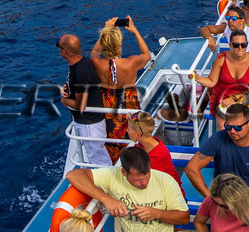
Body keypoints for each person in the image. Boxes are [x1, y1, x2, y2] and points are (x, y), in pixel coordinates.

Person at [185, 102, 249, 204]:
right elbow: (191, 168)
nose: (232, 131)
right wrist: (212, 199)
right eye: (228, 127)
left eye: (237, 127)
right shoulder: (217, 139)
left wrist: (246, 209)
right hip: (221, 195)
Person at [91, 19, 153, 161]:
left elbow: (94, 52)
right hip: (129, 109)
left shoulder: (97, 63)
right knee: (133, 135)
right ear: (120, 44)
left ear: (103, 43)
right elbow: (146, 55)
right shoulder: (131, 62)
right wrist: (135, 31)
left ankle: (115, 162)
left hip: (109, 113)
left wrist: (106, 30)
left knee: (112, 139)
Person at [58, 33, 110, 166]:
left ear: (64, 52)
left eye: (59, 46)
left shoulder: (80, 72)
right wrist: (68, 89)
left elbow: (80, 105)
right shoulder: (82, 63)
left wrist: (64, 101)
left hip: (89, 125)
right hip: (91, 122)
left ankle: (106, 179)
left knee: (98, 160)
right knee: (97, 156)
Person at [192, 42, 249, 117]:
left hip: (242, 98)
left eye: (243, 45)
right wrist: (197, 77)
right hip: (222, 98)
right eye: (236, 45)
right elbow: (211, 82)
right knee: (225, 117)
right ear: (230, 45)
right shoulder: (221, 58)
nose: (240, 48)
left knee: (238, 117)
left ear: (247, 45)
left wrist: (234, 99)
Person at [125, 111, 179, 182]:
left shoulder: (157, 156)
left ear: (138, 134)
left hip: (167, 187)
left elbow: (150, 182)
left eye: (128, 129)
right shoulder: (144, 143)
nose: (127, 130)